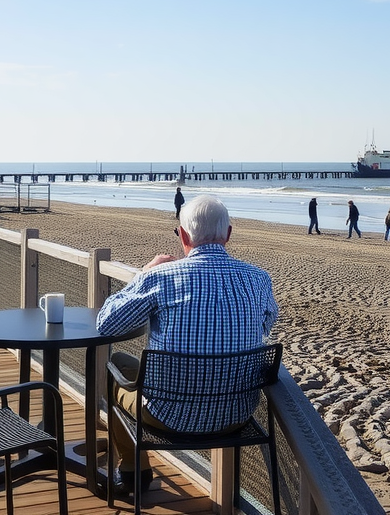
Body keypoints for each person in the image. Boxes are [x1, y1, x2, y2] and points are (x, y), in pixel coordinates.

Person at [96, 195, 278, 498]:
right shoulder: (259, 279)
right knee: (129, 364)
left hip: (170, 417)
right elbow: (265, 324)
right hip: (236, 415)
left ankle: (133, 472)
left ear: (183, 235)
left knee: (112, 366)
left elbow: (107, 324)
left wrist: (143, 273)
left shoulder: (160, 277)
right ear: (228, 235)